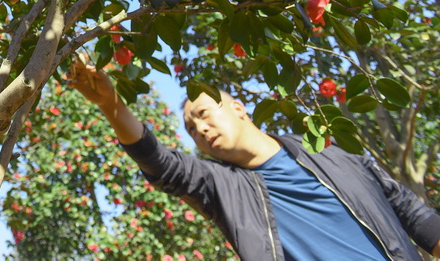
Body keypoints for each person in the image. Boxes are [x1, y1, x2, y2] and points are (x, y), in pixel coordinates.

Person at [71, 54, 440, 261]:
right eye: (190, 129)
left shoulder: (328, 152)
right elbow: (162, 164)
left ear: (239, 107)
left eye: (202, 114)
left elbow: (409, 210)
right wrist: (110, 104)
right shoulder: (223, 188)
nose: (198, 130)